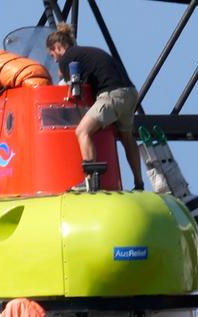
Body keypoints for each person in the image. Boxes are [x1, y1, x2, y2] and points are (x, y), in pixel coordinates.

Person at [46, 23, 144, 191]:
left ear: (58, 47)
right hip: (130, 93)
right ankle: (139, 183)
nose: (54, 59)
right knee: (127, 137)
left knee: (82, 131)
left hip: (111, 95)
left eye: (52, 54)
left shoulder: (67, 59)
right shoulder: (87, 52)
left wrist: (63, 72)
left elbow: (76, 90)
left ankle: (89, 180)